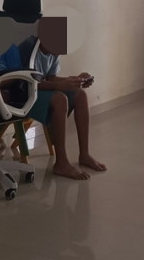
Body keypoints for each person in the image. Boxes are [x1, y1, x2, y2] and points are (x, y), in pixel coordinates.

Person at [27, 18, 107, 180]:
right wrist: (60, 85)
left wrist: (75, 80)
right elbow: (28, 83)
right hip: (25, 94)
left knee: (80, 94)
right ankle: (61, 162)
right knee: (60, 99)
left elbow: (51, 78)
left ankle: (84, 154)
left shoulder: (52, 50)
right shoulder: (29, 48)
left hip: (40, 89)